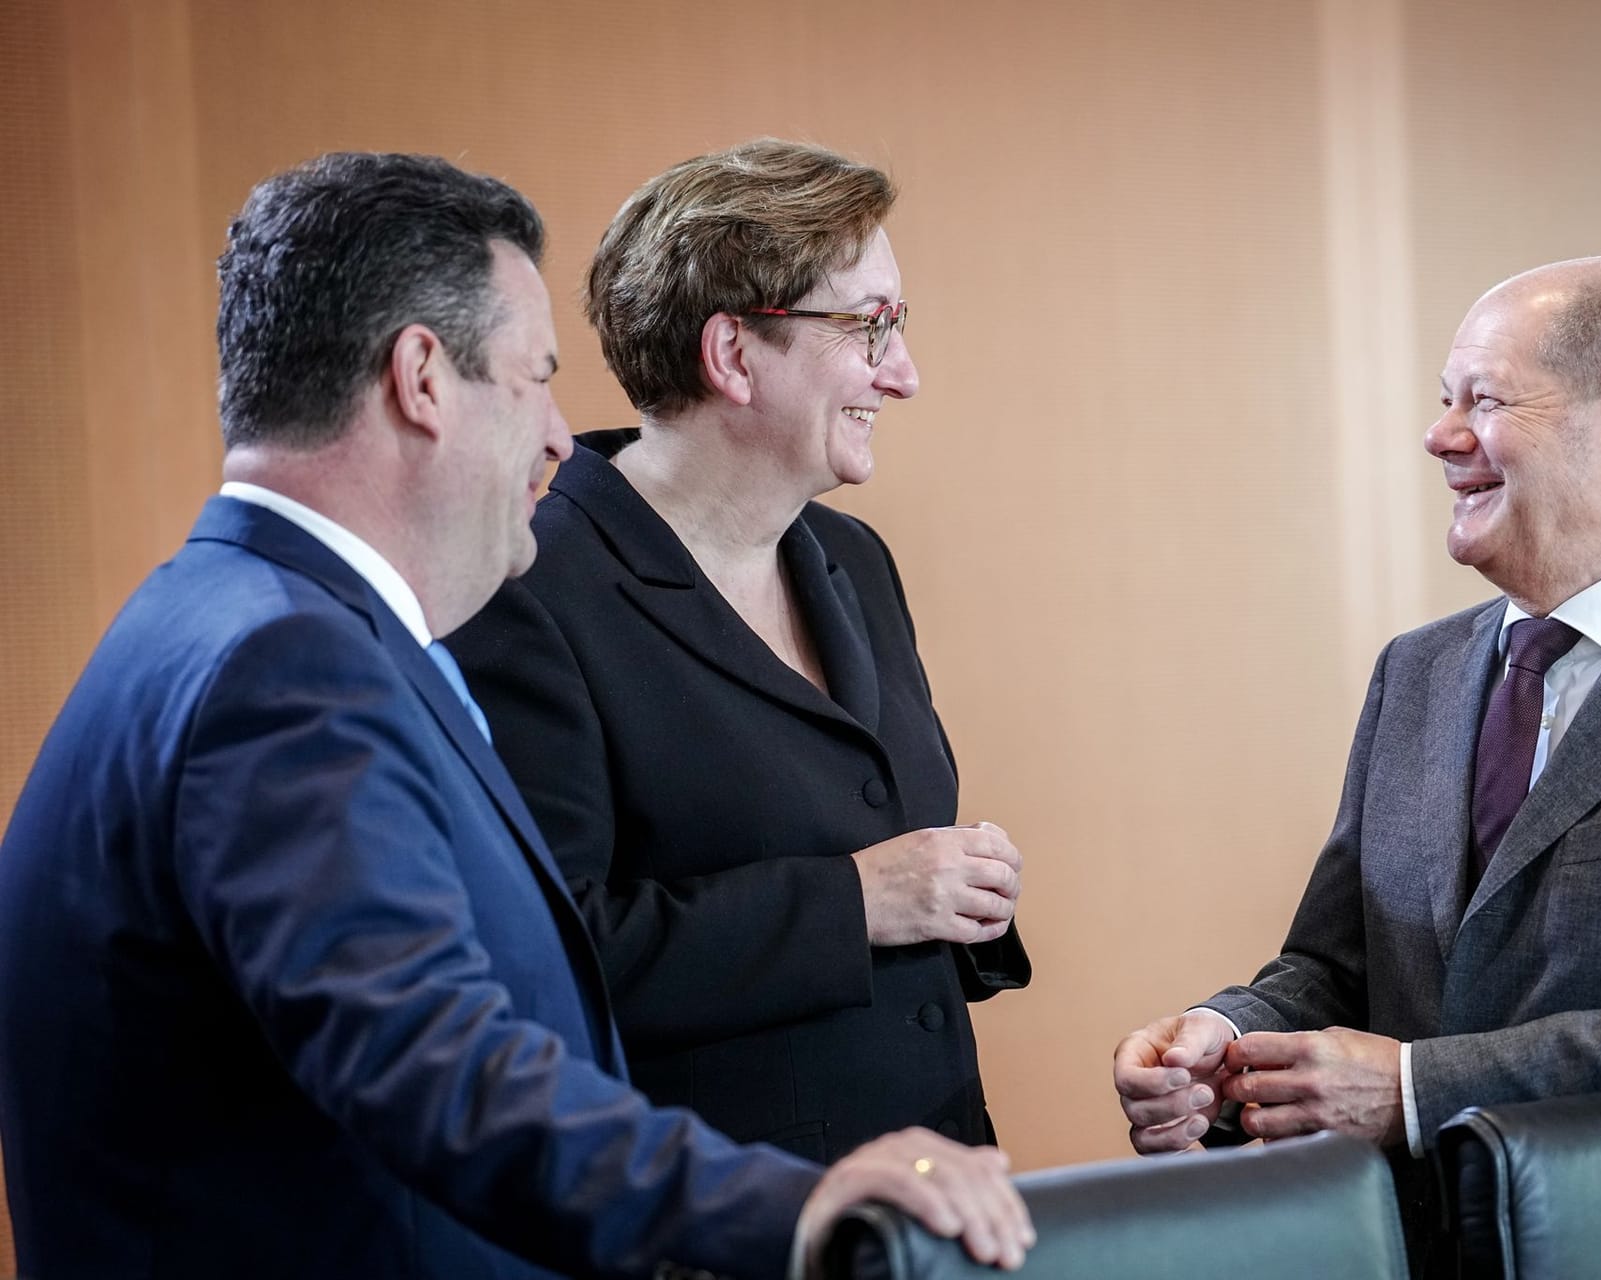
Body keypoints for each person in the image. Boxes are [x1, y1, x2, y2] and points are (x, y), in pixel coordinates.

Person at [0, 151, 1031, 1280]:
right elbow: (435, 1059)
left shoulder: (229, 614)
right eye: (534, 378)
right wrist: (786, 1204)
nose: (557, 435)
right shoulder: (287, 667)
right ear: (423, 378)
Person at [1113, 257, 1601, 1261]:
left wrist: (1413, 1089)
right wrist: (1219, 1043)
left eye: (1483, 401)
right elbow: (1335, 966)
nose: (1439, 435)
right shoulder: (1417, 671)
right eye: (1444, 399)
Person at [447, 139, 1030, 1164]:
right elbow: (545, 956)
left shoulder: (853, 557)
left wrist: (958, 892)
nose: (905, 374)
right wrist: (859, 902)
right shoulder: (532, 595)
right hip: (723, 1221)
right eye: (871, 326)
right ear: (733, 355)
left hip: (936, 1193)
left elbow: (876, 839)